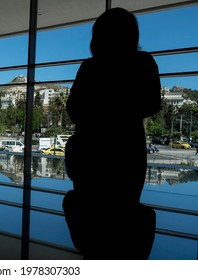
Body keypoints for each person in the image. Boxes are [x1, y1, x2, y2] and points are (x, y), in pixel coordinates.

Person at [63, 7, 161, 259]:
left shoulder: (89, 67)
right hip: (127, 151)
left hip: (89, 153)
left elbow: (73, 109)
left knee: (93, 225)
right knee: (123, 217)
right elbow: (151, 104)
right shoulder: (143, 62)